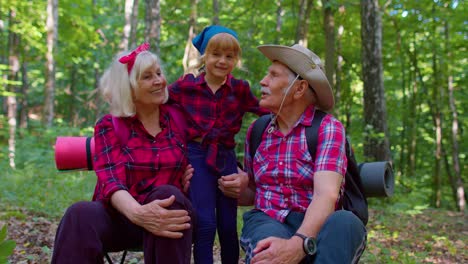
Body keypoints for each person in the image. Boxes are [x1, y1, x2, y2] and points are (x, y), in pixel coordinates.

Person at [218, 44, 367, 263]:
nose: (263, 81)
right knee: (268, 247)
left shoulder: (328, 128)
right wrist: (239, 187)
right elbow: (253, 194)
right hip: (268, 219)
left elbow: (326, 195)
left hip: (319, 224)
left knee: (345, 223)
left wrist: (299, 244)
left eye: (273, 75)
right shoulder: (258, 131)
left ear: (299, 89)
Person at [51, 43, 194, 264]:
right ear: (128, 88)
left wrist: (197, 178)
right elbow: (111, 181)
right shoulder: (110, 126)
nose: (159, 81)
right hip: (122, 215)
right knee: (78, 214)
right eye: (147, 77)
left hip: (169, 216)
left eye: (159, 73)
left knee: (168, 196)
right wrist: (139, 214)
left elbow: (214, 145)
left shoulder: (179, 118)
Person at [168, 25, 269, 264]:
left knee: (226, 225)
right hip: (196, 156)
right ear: (205, 56)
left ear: (236, 60)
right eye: (216, 54)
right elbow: (156, 102)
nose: (222, 61)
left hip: (225, 157)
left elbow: (265, 109)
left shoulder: (240, 89)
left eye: (229, 56)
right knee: (205, 223)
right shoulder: (186, 87)